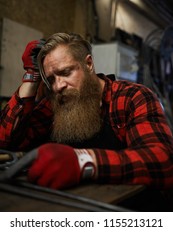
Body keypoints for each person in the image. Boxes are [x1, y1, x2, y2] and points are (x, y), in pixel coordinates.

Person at [0, 32, 173, 191]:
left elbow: (163, 161)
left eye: (66, 72)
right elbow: (7, 142)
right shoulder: (56, 104)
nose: (58, 86)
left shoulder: (132, 97)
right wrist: (32, 76)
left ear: (88, 64)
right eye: (51, 79)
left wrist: (85, 162)